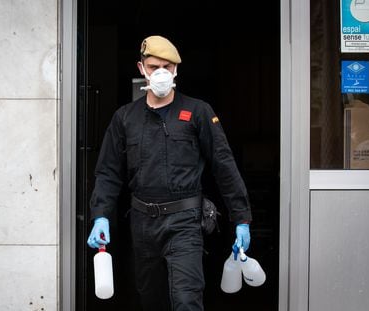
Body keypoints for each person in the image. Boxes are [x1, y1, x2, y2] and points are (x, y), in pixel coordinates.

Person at [87, 35, 252, 311]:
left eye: (167, 66)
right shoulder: (125, 118)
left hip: (185, 222)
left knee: (187, 300)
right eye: (153, 67)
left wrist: (242, 217)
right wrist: (100, 215)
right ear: (142, 69)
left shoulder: (197, 112)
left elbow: (224, 165)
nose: (161, 72)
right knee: (151, 300)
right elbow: (108, 172)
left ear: (176, 70)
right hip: (142, 224)